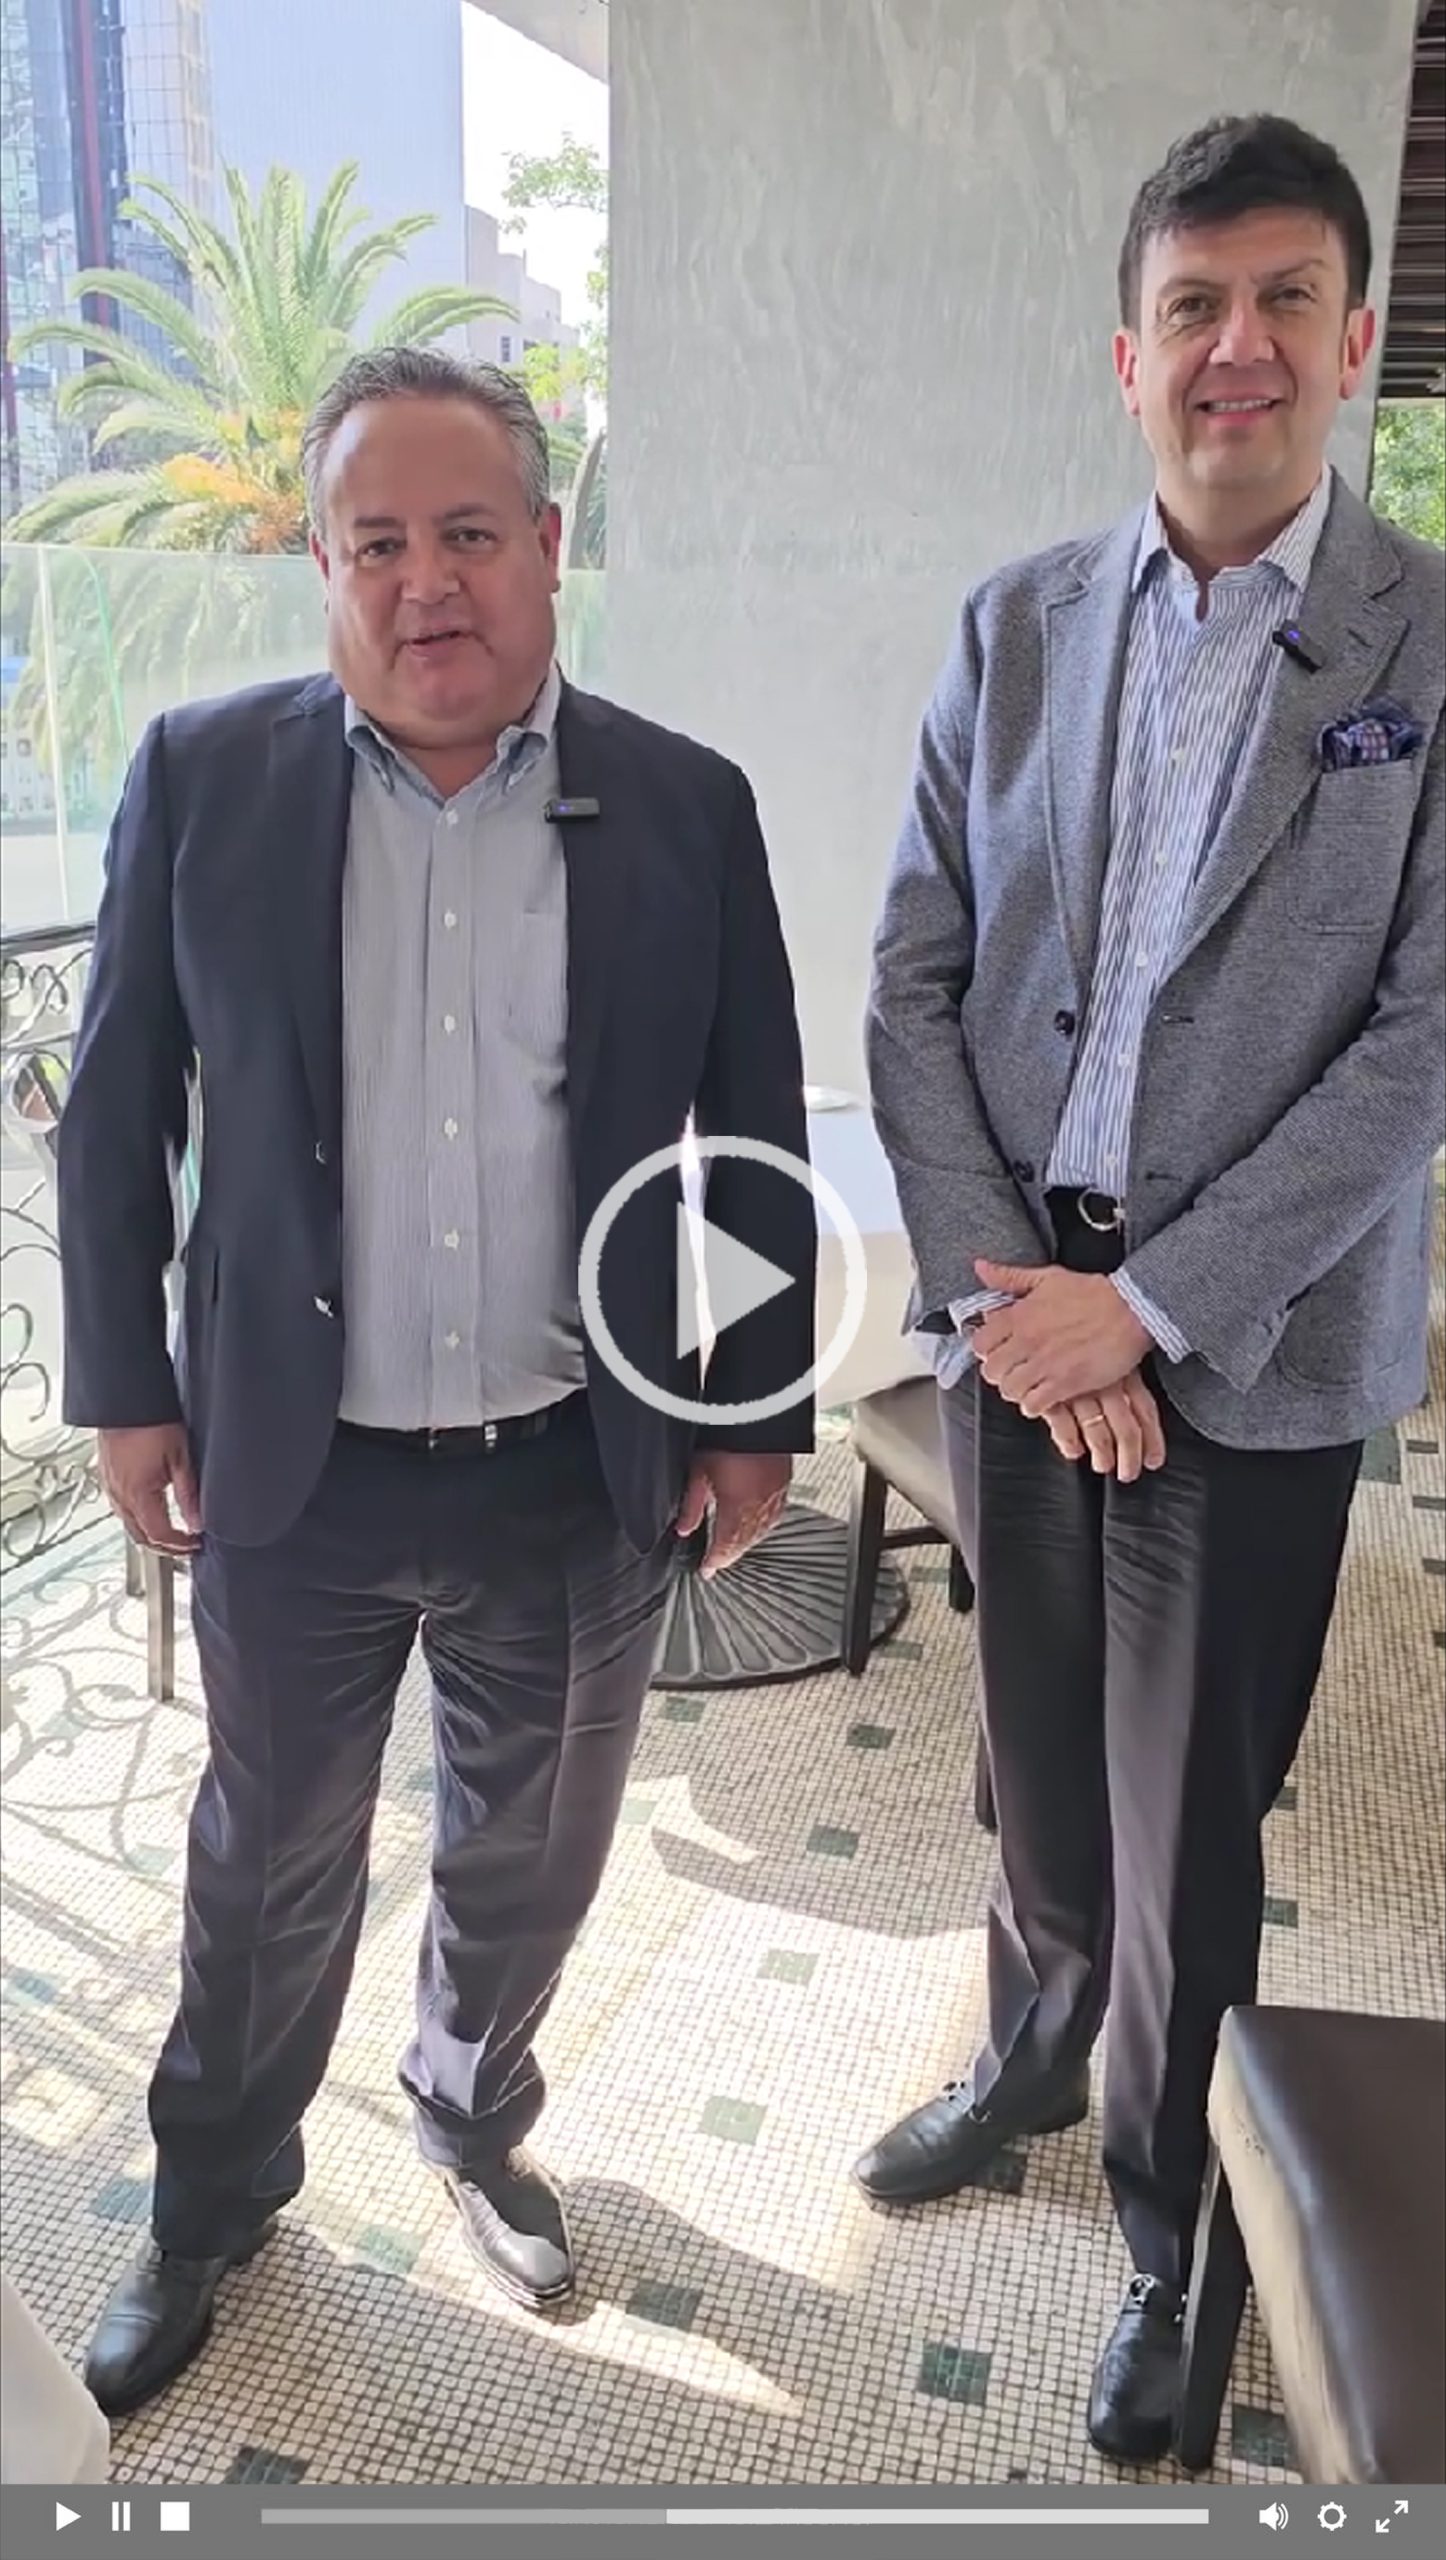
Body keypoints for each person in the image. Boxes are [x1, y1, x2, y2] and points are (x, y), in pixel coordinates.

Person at [59, 348, 816, 2418]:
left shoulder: (684, 802)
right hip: (291, 1466)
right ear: (320, 565)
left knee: (530, 1849)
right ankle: (214, 2193)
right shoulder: (205, 777)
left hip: (573, 1464)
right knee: (267, 1857)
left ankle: (473, 2110)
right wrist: (126, 1381)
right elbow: (116, 1108)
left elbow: (752, 1121)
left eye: (469, 531)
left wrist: (752, 1405)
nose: (426, 582)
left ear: (548, 546)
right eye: (375, 540)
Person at [859, 115, 1444, 2464]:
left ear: (1356, 338)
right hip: (1015, 1305)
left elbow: (1418, 1041)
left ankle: (1165, 2227)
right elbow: (911, 976)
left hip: (1253, 1342)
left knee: (1187, 1830)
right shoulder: (1015, 624)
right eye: (1193, 307)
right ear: (1130, 355)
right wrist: (1019, 1297)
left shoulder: (1425, 646)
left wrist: (1156, 1305)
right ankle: (1024, 2049)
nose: (1238, 349)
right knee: (1030, 1763)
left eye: (1285, 299)